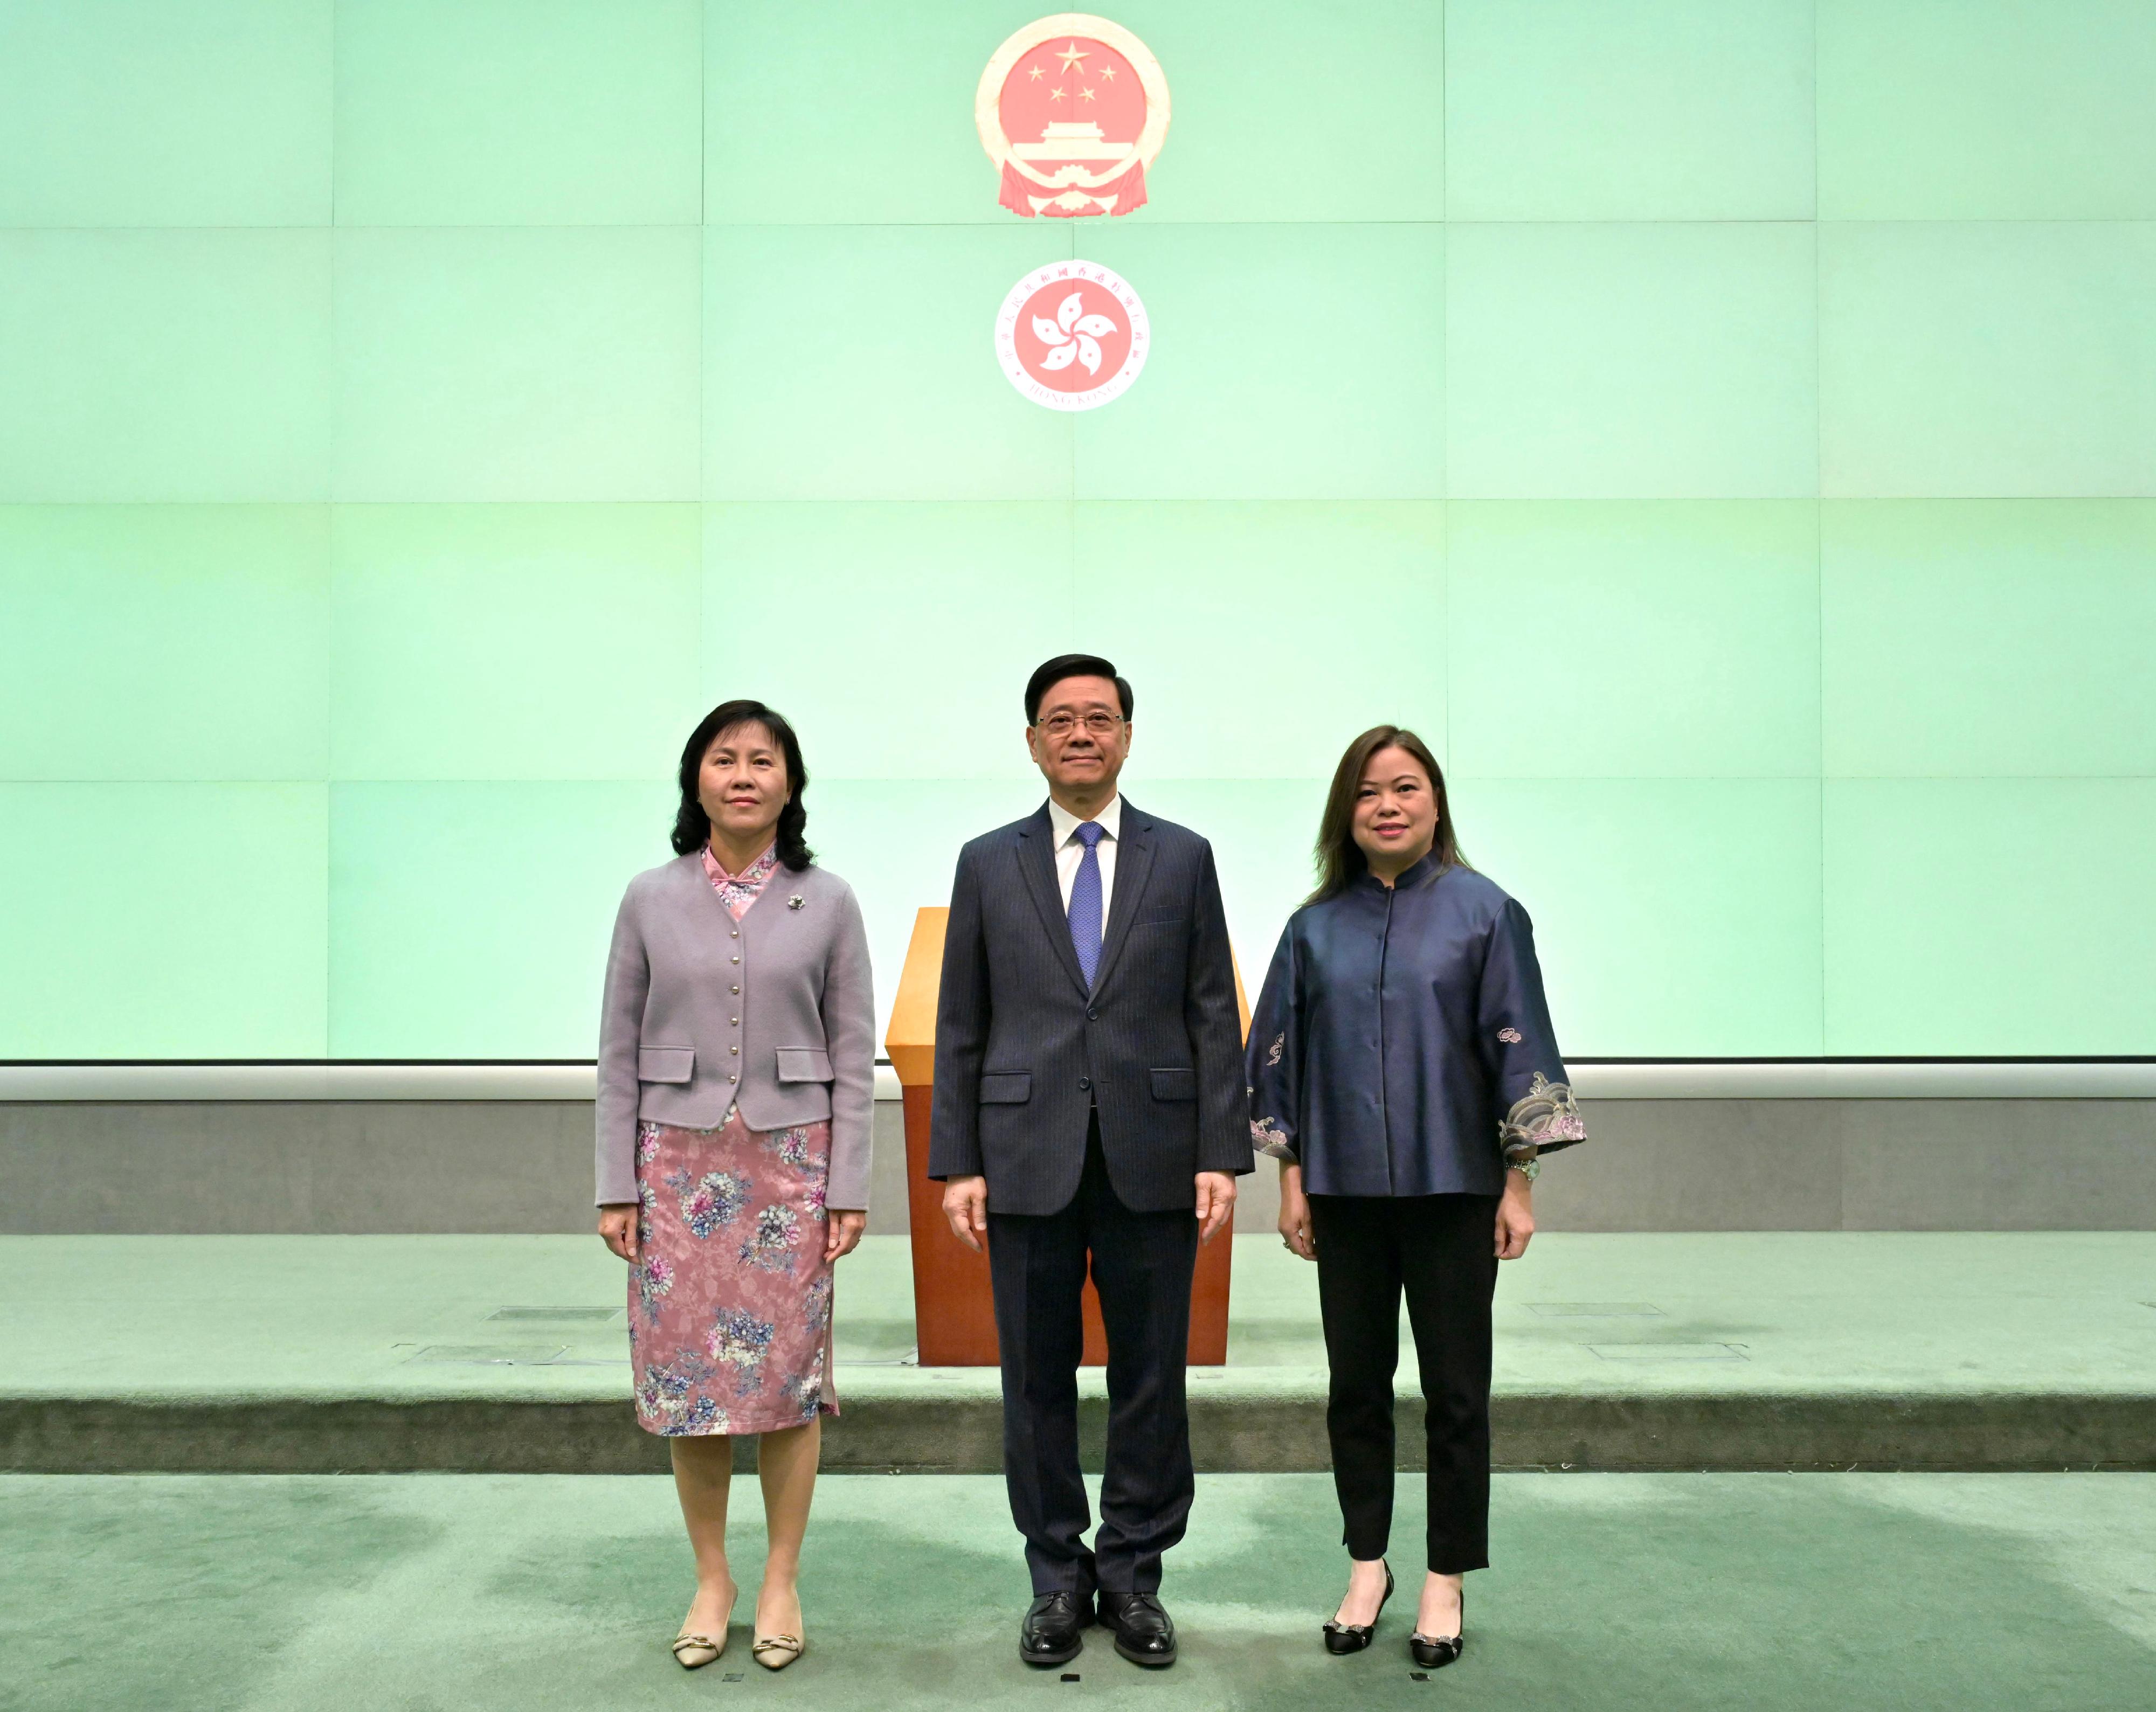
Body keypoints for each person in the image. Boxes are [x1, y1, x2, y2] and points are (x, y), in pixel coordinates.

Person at [929, 654, 1249, 1671]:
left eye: (1100, 718)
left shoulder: (1183, 857)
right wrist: (959, 1162)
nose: (1081, 733)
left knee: (1152, 1375)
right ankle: (1055, 1579)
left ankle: (1136, 1577)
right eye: (1060, 719)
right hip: (1023, 1157)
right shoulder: (987, 861)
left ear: (1126, 736)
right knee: (1035, 1379)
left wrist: (1218, 1152)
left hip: (1154, 1155)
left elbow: (1210, 1011)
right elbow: (963, 1021)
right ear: (1030, 740)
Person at [1246, 725, 1585, 1669]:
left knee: (1455, 1392)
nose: (1387, 805)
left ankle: (1446, 1576)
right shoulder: (1312, 929)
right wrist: (1292, 1179)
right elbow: (1280, 1057)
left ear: (1436, 803)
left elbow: (1523, 1045)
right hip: (1345, 1192)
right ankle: (1368, 1564)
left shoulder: (1487, 912)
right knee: (1355, 1386)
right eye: (1367, 792)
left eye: (1405, 787)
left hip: (1457, 1191)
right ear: (1344, 814)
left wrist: (1520, 1182)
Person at [595, 699, 873, 1673]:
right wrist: (613, 1183)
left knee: (789, 1380)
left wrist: (848, 1186)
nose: (744, 774)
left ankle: (781, 1577)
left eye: (763, 760)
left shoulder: (828, 898)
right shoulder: (648, 895)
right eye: (725, 759)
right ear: (696, 778)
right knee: (689, 1384)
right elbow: (618, 1053)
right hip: (673, 1166)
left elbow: (851, 1056)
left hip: (792, 1167)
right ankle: (711, 1577)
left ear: (790, 782)